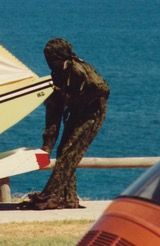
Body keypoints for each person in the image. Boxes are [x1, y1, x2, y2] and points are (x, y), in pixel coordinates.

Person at [27, 38, 109, 210]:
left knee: (68, 153)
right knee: (63, 150)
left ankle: (51, 195)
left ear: (61, 58)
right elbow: (53, 112)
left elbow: (102, 88)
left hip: (91, 115)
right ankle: (69, 199)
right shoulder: (57, 77)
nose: (49, 63)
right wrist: (47, 144)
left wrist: (78, 100)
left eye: (52, 59)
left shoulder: (79, 70)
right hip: (74, 113)